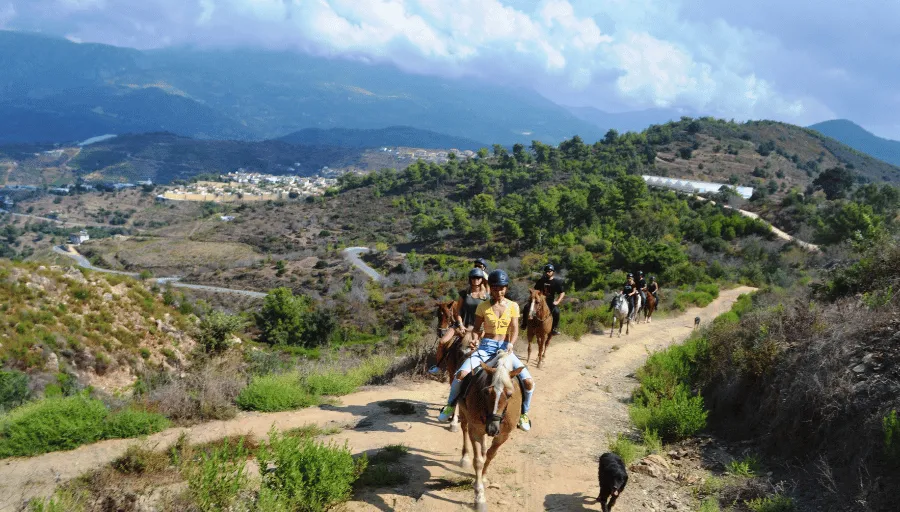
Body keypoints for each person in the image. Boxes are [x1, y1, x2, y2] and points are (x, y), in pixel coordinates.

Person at [438, 269, 535, 431]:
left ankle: (524, 414)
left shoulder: (513, 306)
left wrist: (511, 343)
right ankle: (450, 405)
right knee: (460, 374)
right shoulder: (483, 306)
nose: (499, 291)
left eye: (502, 287)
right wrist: (475, 340)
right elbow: (476, 328)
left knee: (528, 382)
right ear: (491, 288)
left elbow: (515, 329)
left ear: (506, 288)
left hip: (505, 349)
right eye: (496, 288)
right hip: (486, 347)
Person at [428, 269, 489, 375]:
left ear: (482, 280)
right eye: (473, 278)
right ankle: (439, 367)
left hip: (478, 328)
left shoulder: (486, 296)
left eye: (478, 278)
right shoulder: (464, 293)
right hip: (461, 325)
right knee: (442, 342)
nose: (475, 280)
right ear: (470, 279)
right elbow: (458, 311)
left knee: (487, 345)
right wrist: (460, 324)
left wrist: (482, 329)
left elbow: (488, 314)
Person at [522, 264, 565, 335]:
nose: (548, 272)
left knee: (556, 312)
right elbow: (535, 290)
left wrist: (557, 301)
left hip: (550, 302)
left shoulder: (557, 282)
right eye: (546, 271)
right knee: (526, 307)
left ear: (553, 272)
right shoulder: (541, 281)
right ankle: (524, 324)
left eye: (549, 271)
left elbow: (562, 293)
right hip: (539, 301)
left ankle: (554, 328)